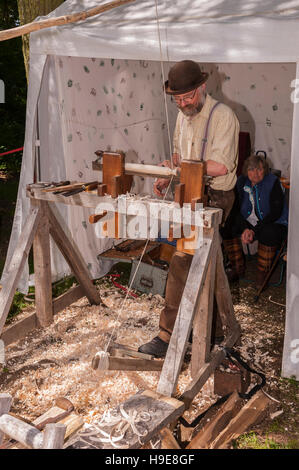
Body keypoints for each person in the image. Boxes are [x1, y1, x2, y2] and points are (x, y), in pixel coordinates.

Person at [138, 60, 240, 358]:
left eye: (188, 97)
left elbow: (220, 166)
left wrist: (180, 168)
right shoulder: (183, 117)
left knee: (184, 259)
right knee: (205, 262)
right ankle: (216, 331)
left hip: (216, 196)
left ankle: (168, 335)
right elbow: (178, 157)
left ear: (202, 88)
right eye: (177, 100)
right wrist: (166, 176)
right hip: (188, 191)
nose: (183, 104)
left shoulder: (223, 116)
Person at [221, 154, 288, 286]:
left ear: (265, 170)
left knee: (270, 232)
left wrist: (254, 230)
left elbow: (275, 211)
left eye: (259, 169)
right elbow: (234, 209)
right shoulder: (241, 182)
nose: (255, 173)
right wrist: (245, 228)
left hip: (271, 222)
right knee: (226, 226)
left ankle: (262, 274)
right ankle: (237, 267)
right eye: (251, 169)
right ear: (246, 170)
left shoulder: (272, 181)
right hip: (248, 224)